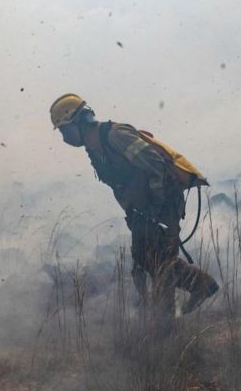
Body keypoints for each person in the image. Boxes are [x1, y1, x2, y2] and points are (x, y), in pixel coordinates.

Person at [50, 93, 219, 318]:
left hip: (162, 206)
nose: (65, 137)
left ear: (80, 121)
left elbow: (156, 165)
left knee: (162, 266)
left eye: (65, 130)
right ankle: (201, 286)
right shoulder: (94, 149)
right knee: (144, 260)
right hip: (141, 210)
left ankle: (163, 327)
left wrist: (156, 208)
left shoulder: (116, 136)